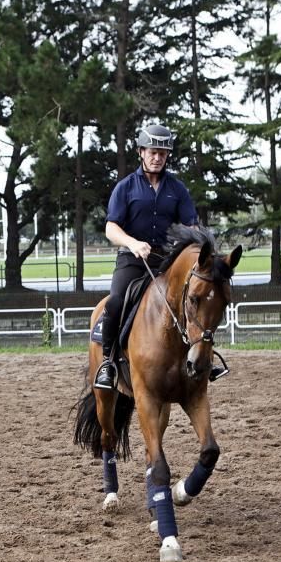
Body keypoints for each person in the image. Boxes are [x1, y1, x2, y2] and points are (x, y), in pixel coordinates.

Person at [93, 124, 199, 390]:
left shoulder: (178, 189)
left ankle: (202, 359)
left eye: (163, 153)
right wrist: (132, 243)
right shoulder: (125, 187)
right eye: (153, 152)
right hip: (132, 259)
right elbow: (111, 228)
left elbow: (192, 225)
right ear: (141, 152)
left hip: (166, 261)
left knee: (194, 299)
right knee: (116, 302)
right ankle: (108, 362)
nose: (158, 157)